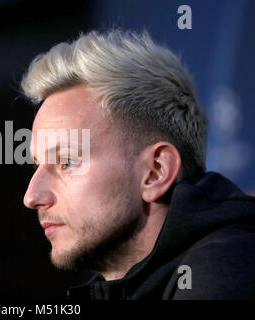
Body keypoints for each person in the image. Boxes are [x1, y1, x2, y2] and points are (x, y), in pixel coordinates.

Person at [20, 29, 255, 300]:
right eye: (37, 165)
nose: (32, 197)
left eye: (66, 162)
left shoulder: (225, 271)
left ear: (155, 172)